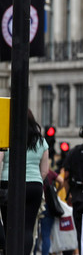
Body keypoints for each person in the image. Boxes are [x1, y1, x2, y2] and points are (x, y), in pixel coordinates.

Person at [0, 108, 50, 255]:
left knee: (9, 225)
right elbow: (45, 171)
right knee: (28, 227)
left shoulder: (7, 138)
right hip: (34, 185)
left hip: (9, 184)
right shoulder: (41, 141)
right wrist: (34, 179)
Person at [40, 169, 65, 255]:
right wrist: (57, 191)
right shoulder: (48, 172)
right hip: (48, 205)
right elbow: (61, 181)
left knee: (33, 233)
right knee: (46, 235)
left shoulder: (34, 170)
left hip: (36, 203)